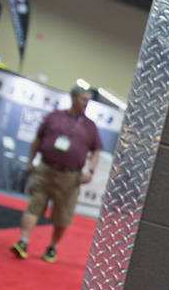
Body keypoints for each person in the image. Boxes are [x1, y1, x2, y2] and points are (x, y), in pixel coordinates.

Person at [10, 86, 101, 263]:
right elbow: (38, 139)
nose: (86, 103)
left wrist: (90, 171)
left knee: (63, 213)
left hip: (70, 176)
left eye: (88, 100)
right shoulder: (54, 117)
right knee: (34, 204)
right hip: (45, 169)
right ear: (73, 98)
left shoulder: (90, 126)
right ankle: (23, 242)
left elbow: (96, 150)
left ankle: (52, 247)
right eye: (83, 99)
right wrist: (31, 161)